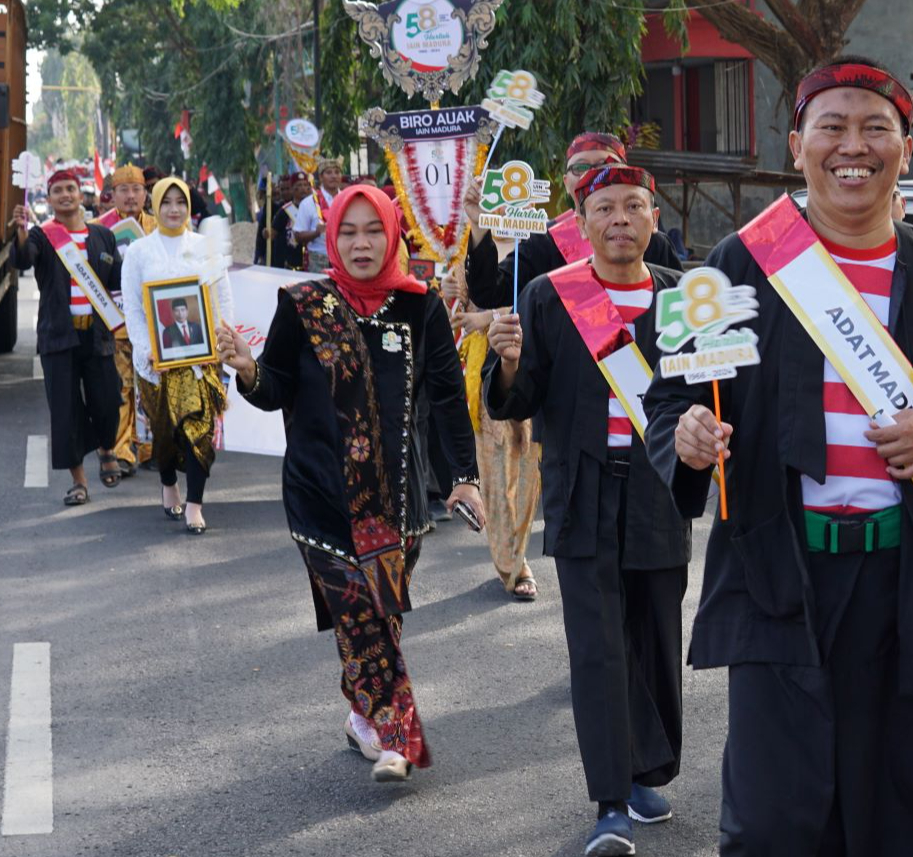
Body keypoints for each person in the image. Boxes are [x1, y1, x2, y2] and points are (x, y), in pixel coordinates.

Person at [643, 57, 913, 857]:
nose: (851, 146)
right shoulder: (738, 267)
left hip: (910, 586)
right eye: (831, 127)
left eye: (875, 128)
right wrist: (686, 435)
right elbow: (668, 403)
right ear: (797, 144)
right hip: (779, 579)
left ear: (906, 149)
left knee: (908, 819)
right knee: (773, 822)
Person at [217, 184, 485, 783]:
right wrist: (249, 370)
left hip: (400, 501)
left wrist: (463, 479)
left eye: (372, 230)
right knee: (361, 612)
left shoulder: (421, 307)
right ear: (331, 237)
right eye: (347, 232)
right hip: (320, 497)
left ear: (391, 234)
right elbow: (277, 387)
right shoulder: (306, 302)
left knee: (379, 617)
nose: (360, 243)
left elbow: (445, 400)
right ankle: (396, 738)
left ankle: (362, 714)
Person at [486, 164, 688, 857]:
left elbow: (709, 390)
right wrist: (507, 363)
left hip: (659, 492)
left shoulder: (681, 297)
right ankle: (610, 799)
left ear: (653, 219)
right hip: (583, 491)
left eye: (635, 206)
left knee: (655, 639)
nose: (621, 219)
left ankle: (645, 771)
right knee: (597, 648)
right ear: (581, 222)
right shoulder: (550, 295)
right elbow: (518, 397)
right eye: (605, 208)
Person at [123, 178, 236, 534]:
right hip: (157, 363)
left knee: (199, 432)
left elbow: (223, 297)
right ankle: (169, 482)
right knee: (165, 433)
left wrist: (220, 343)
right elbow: (134, 309)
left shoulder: (204, 246)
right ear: (155, 205)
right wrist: (145, 351)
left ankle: (195, 504)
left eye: (180, 202)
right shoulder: (139, 252)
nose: (174, 209)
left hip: (198, 361)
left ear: (189, 206)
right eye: (166, 202)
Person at [464, 132, 682, 310]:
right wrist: (479, 226)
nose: (593, 174)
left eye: (606, 165)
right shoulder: (544, 241)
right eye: (580, 168)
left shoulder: (651, 242)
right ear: (567, 183)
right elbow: (489, 292)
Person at [11, 168, 124, 504]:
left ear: (80, 193)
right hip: (59, 338)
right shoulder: (42, 237)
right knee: (65, 409)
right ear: (49, 198)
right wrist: (20, 231)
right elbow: (22, 260)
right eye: (57, 190)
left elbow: (118, 280)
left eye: (70, 188)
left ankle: (106, 447)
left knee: (107, 400)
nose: (65, 195)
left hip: (98, 335)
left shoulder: (103, 236)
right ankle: (79, 481)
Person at [441, 264, 541, 601]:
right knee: (496, 476)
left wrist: (488, 318)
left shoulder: (536, 243)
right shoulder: (468, 249)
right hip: (483, 375)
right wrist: (448, 292)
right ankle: (513, 564)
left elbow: (540, 304)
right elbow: (452, 314)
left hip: (530, 375)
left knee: (527, 470)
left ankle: (518, 549)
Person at [97, 164, 157, 477]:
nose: (131, 196)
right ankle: (122, 451)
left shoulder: (160, 225)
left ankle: (149, 448)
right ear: (113, 195)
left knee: (149, 385)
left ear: (145, 193)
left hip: (152, 324)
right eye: (124, 190)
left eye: (136, 189)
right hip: (117, 323)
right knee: (121, 388)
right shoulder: (100, 229)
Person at [293, 159, 343, 272]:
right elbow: (298, 236)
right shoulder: (308, 203)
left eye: (337, 172)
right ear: (321, 177)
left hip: (344, 258)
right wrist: (316, 233)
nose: (334, 176)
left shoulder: (347, 199)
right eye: (329, 172)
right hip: (318, 260)